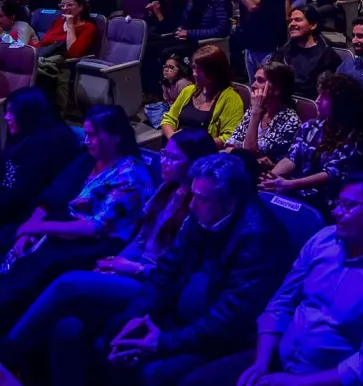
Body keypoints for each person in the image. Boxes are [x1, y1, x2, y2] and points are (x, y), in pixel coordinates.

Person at [2, 130, 218, 382]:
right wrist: (113, 265)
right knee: (67, 328)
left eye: (173, 158)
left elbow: (181, 271)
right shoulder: (166, 191)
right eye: (164, 154)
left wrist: (133, 268)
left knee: (67, 283)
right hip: (128, 268)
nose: (164, 163)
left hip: (151, 283)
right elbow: (140, 238)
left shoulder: (200, 206)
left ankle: (7, 351)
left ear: (195, 163)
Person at [180, 172, 363, 386]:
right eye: (337, 202)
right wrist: (261, 363)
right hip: (276, 360)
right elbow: (281, 303)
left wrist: (294, 383)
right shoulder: (323, 240)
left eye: (347, 206)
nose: (336, 212)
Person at [91, 153, 291, 386]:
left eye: (200, 198)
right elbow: (166, 271)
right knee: (116, 332)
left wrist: (163, 343)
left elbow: (229, 319)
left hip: (219, 339)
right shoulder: (204, 214)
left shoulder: (259, 238)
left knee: (158, 376)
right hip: (177, 318)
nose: (192, 204)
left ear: (230, 200)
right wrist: (140, 315)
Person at [0, 106, 155, 334]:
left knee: (32, 274)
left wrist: (38, 227)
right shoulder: (88, 159)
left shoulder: (130, 176)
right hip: (59, 230)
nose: (86, 141)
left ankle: (11, 344)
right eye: (86, 134)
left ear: (116, 135)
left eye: (93, 135)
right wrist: (30, 230)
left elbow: (95, 227)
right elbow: (52, 197)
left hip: (91, 244)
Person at [260, 74, 363, 212]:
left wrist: (289, 184)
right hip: (296, 192)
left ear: (339, 103)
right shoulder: (310, 126)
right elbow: (291, 158)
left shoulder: (353, 137)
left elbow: (330, 175)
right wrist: (271, 179)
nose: (317, 101)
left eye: (324, 97)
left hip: (326, 202)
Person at [0, 87, 81, 248]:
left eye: (11, 112)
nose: (6, 117)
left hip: (27, 217)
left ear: (27, 114)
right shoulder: (22, 136)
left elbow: (20, 194)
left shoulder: (44, 145)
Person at [161, 45, 244, 147]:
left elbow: (230, 137)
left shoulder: (231, 98)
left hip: (204, 154)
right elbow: (169, 119)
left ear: (215, 72)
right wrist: (174, 138)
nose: (195, 74)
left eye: (200, 70)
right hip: (178, 149)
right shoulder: (189, 91)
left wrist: (196, 145)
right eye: (194, 68)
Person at [226, 61, 300, 164]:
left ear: (278, 88)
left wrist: (256, 112)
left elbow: (249, 153)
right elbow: (229, 146)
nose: (253, 85)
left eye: (260, 80)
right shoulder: (254, 110)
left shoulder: (290, 121)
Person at [272, 6, 342, 99]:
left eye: (298, 20)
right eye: (290, 21)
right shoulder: (284, 51)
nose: (291, 24)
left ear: (313, 25)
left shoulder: (327, 55)